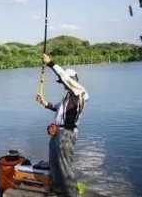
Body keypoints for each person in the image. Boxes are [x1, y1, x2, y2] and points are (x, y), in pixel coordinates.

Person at [36, 53, 89, 197]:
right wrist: (44, 103)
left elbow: (65, 79)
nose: (62, 84)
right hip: (57, 134)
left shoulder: (80, 92)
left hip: (67, 134)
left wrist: (51, 63)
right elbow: (57, 108)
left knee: (65, 166)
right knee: (54, 163)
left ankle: (72, 194)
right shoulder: (68, 97)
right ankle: (58, 191)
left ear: (72, 81)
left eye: (64, 81)